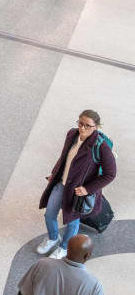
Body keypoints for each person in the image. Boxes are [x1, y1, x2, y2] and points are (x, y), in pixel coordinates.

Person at [35, 110, 116, 259]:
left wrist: (87, 189)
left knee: (72, 222)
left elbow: (110, 174)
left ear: (96, 127)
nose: (83, 128)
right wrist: (55, 174)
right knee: (50, 214)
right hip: (61, 183)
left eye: (88, 126)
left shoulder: (101, 147)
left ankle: (64, 247)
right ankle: (53, 238)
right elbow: (64, 158)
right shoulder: (72, 134)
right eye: (80, 123)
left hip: (77, 192)